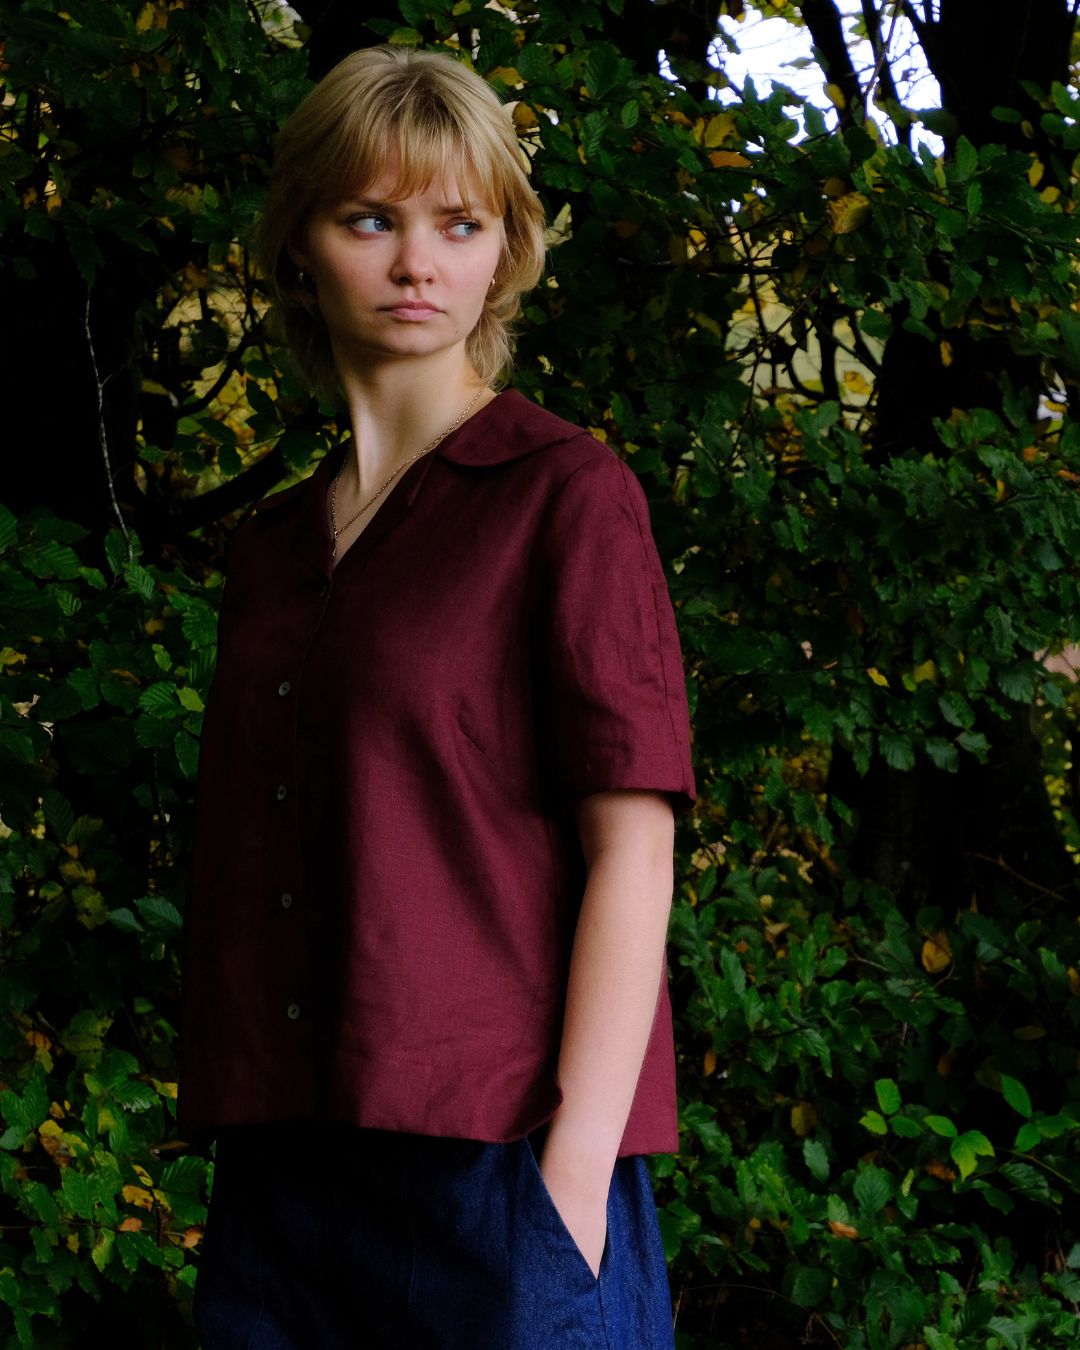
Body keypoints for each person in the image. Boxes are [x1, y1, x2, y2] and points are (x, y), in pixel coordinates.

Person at [177, 43, 696, 1350]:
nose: (418, 263)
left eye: (458, 224)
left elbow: (634, 849)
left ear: (505, 249)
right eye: (373, 219)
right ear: (301, 240)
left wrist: (569, 1188)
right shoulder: (272, 552)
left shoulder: (566, 497)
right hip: (282, 1184)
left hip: (496, 1177)